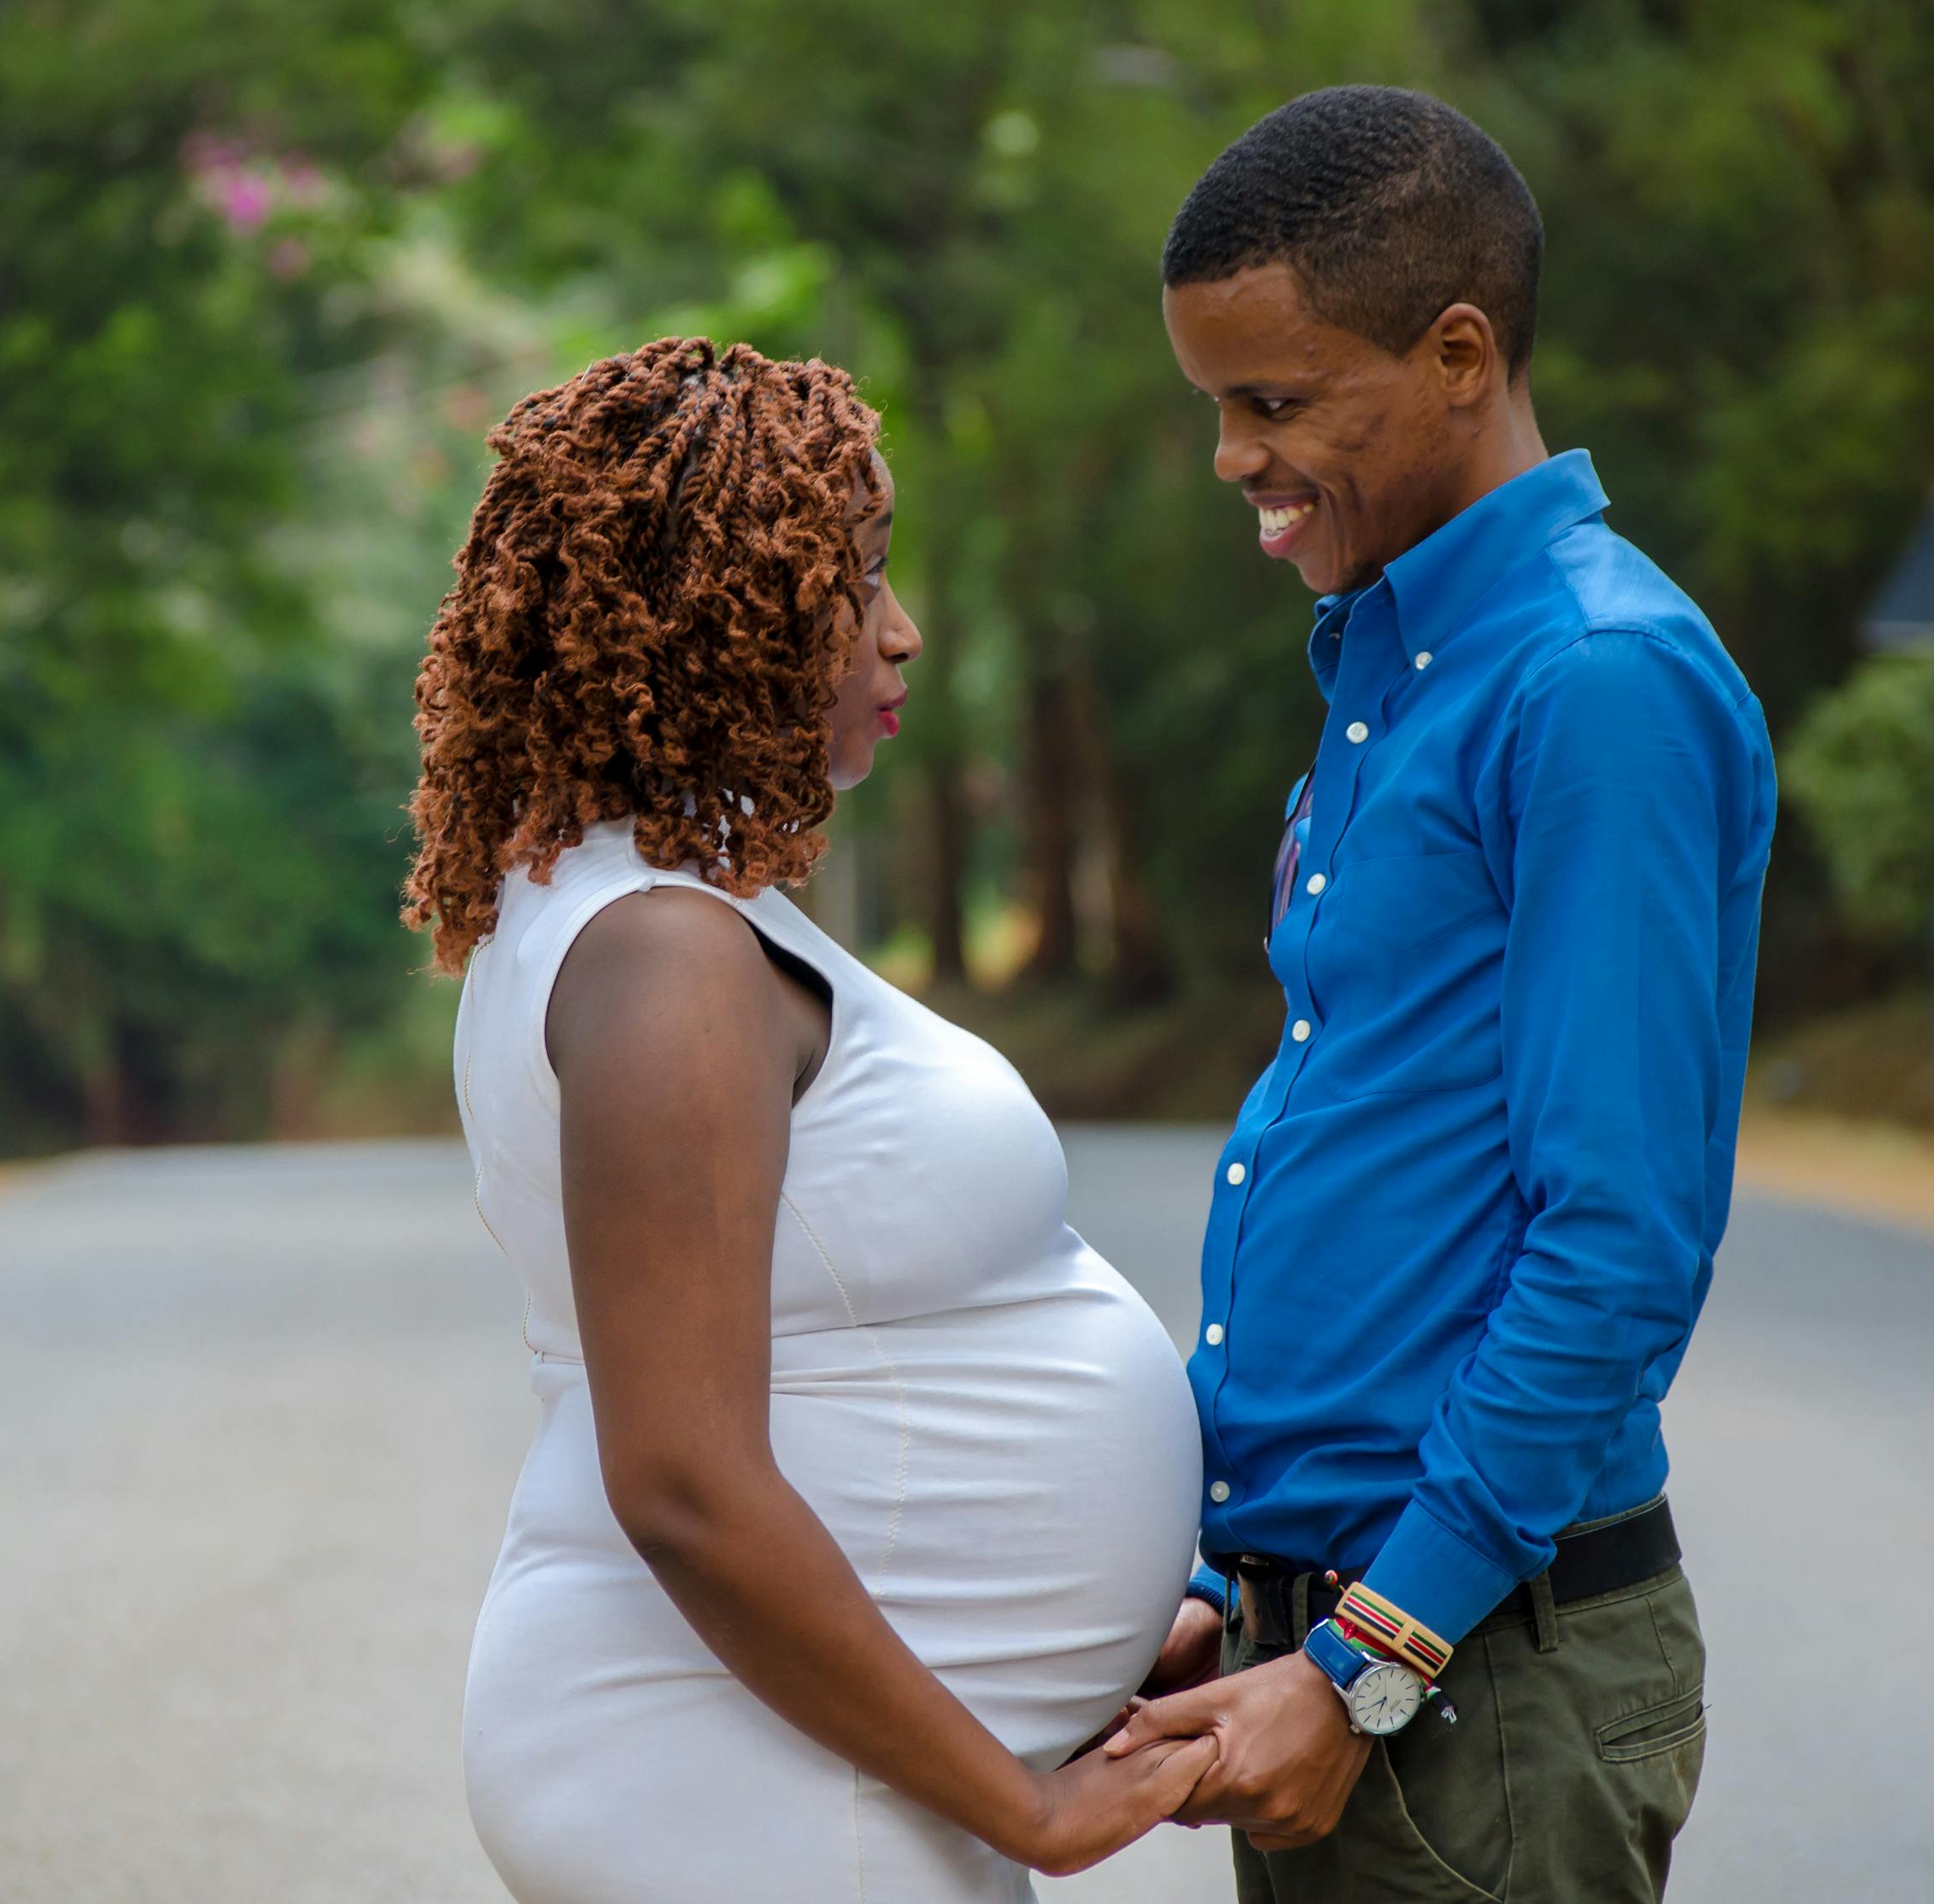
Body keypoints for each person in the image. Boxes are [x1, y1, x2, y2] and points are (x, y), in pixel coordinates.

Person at [410, 336, 1216, 1902]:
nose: (901, 635)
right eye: (855, 582)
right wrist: (1028, 1809)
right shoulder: (660, 956)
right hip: (744, 1776)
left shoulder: (639, 908)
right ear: (714, 605)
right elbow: (684, 1482)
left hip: (802, 1764)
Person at [1105, 86, 1779, 1904]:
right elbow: (1375, 1142)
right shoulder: (1395, 664)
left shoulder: (1591, 684)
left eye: (1276, 400)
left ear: (1459, 352)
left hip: (1470, 1679)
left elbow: (1619, 1239)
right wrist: (1211, 1569)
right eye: (1215, 409)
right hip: (1332, 1642)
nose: (1234, 457)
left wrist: (1374, 1659)